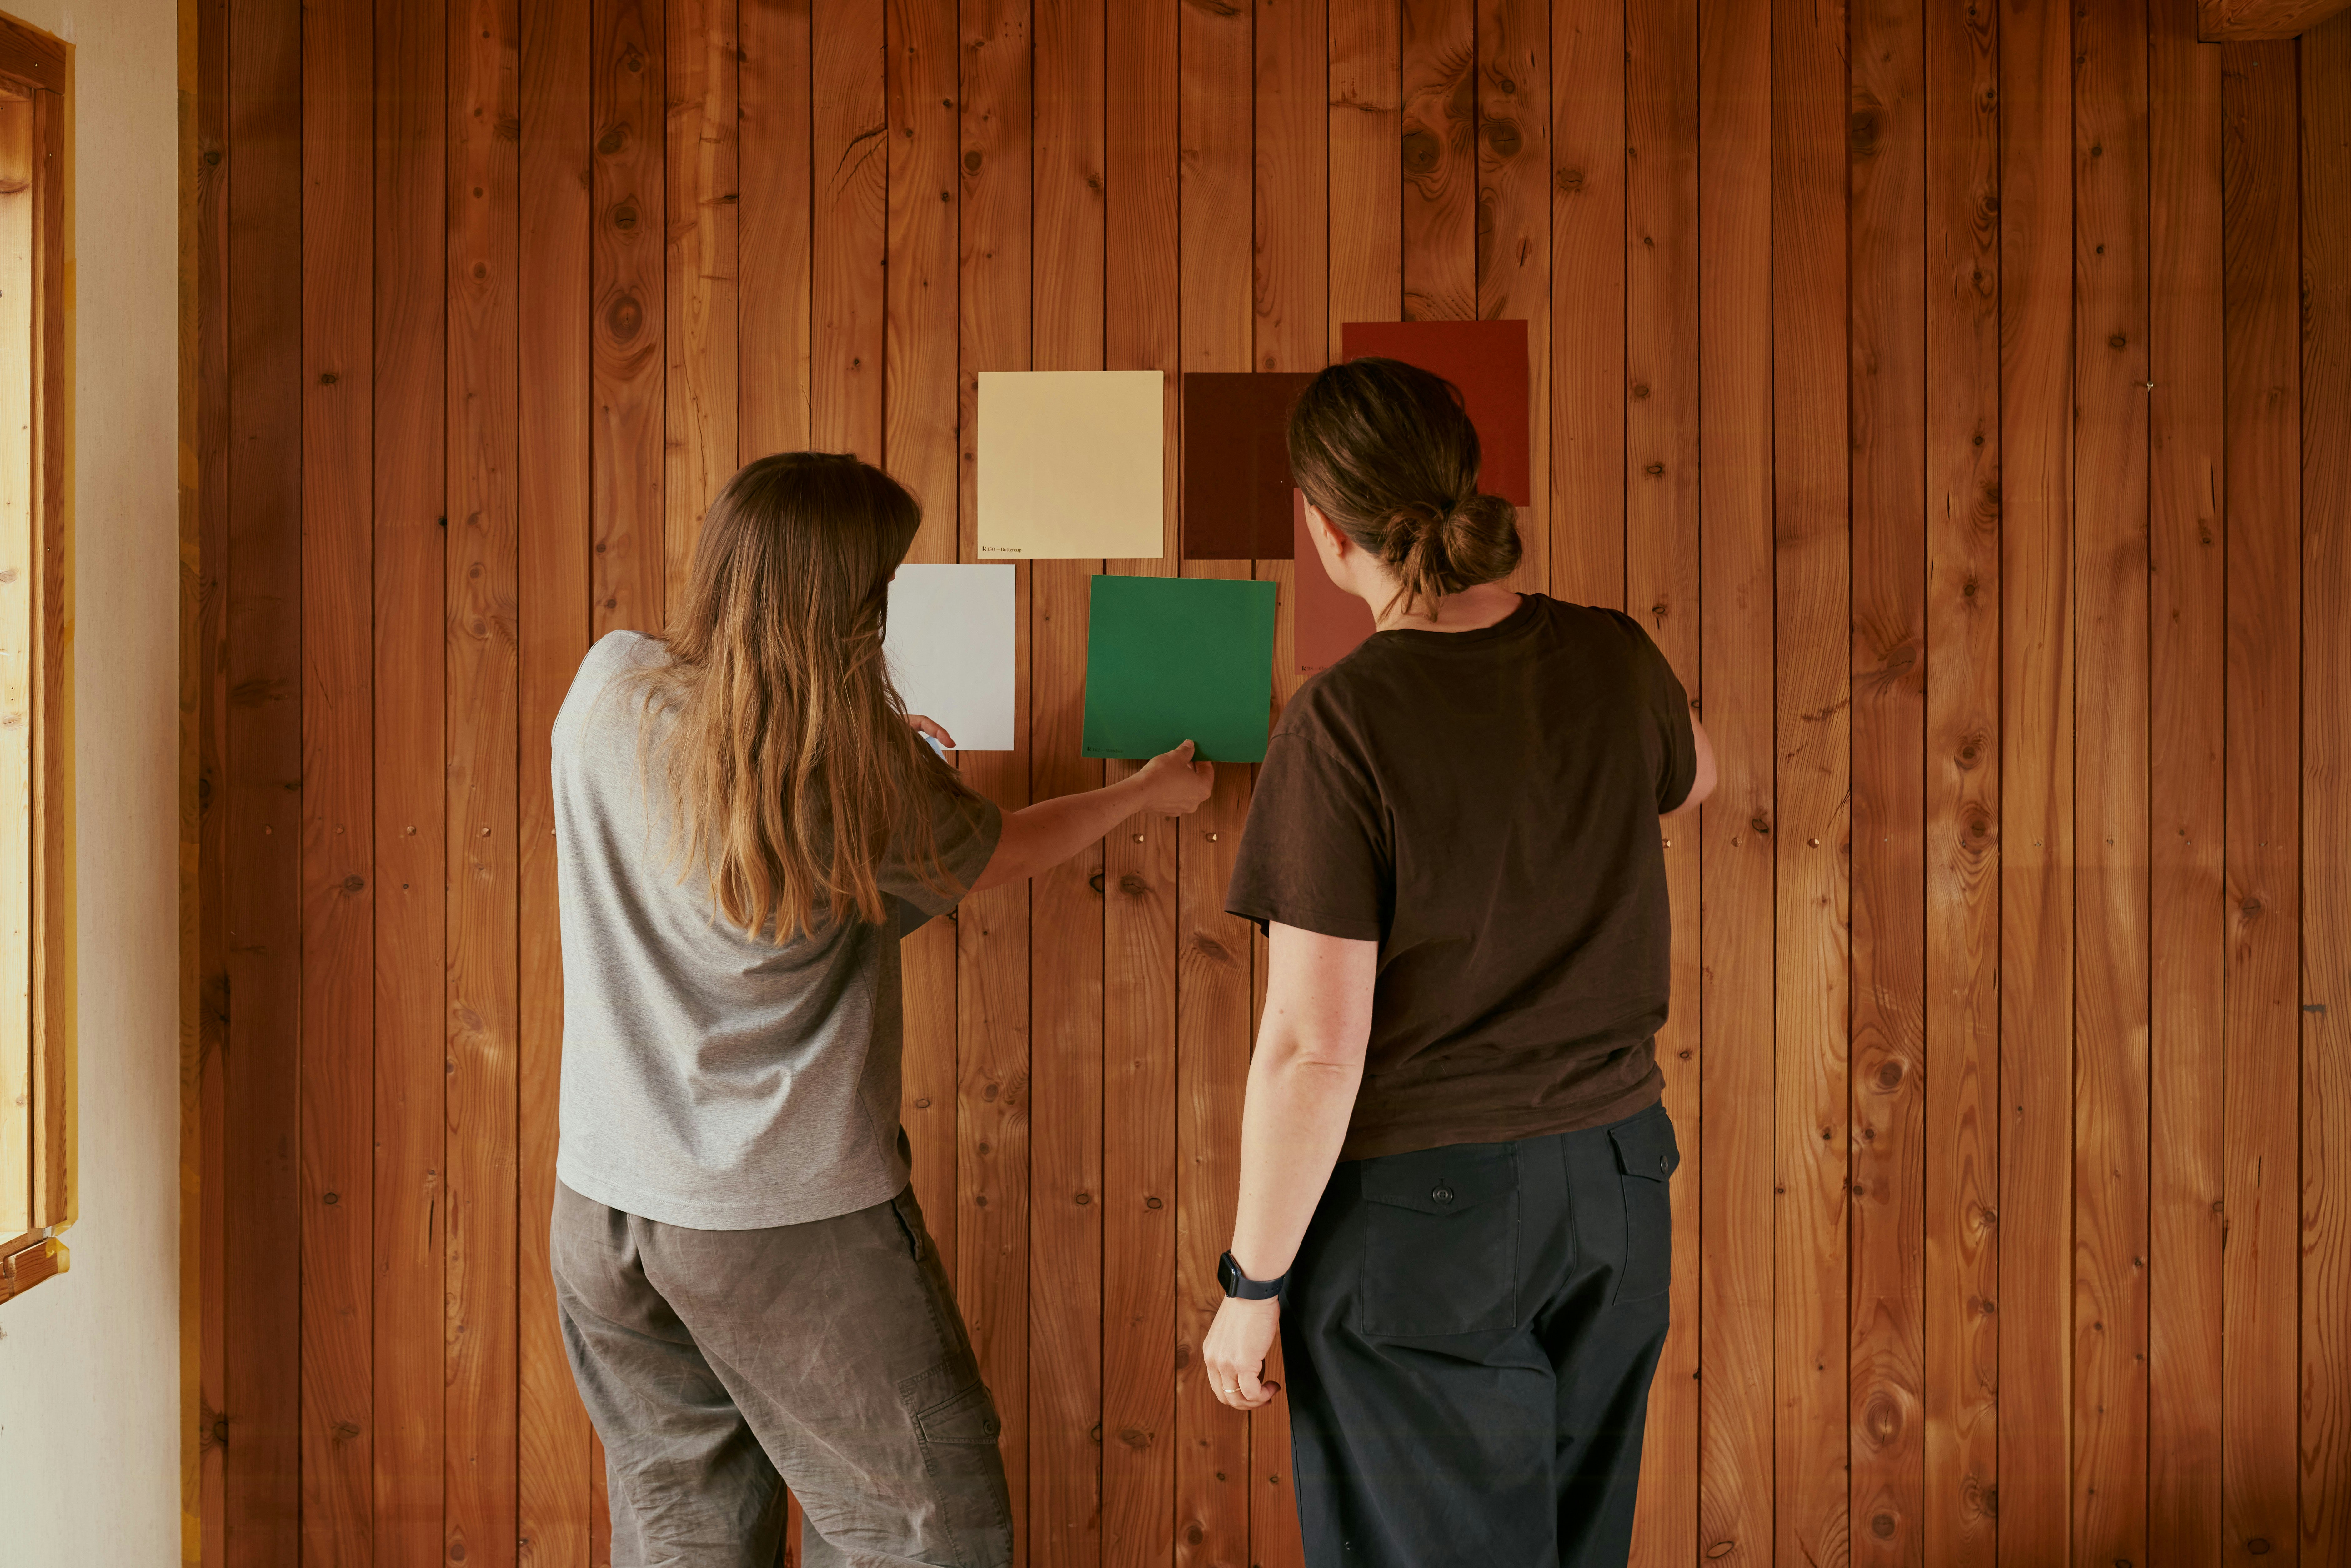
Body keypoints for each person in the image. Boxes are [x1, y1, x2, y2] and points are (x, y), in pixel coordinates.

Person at [547, 451, 1212, 1568]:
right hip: (782, 1218)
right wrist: (1144, 792)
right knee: (930, 1533)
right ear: (846, 610)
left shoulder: (607, 684)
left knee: (686, 1532)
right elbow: (999, 848)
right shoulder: (852, 777)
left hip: (605, 1215)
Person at [1201, 358, 1718, 1568]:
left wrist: (1251, 1283)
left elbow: (1313, 1048)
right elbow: (1706, 773)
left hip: (1429, 1229)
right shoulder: (1612, 658)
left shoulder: (1344, 722)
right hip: (1620, 1184)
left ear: (1325, 531)